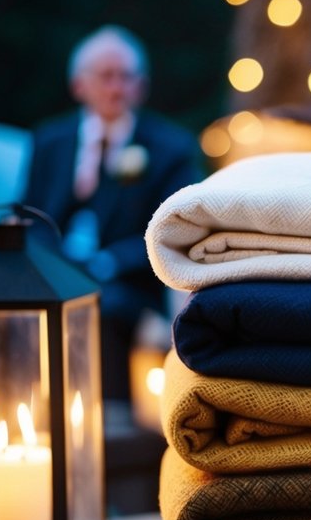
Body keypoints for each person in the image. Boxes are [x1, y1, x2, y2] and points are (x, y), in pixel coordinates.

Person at [23, 26, 201, 401]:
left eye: (126, 77)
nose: (116, 88)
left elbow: (177, 228)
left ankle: (108, 417)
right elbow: (33, 216)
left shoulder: (170, 148)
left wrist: (109, 262)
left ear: (142, 85)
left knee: (101, 305)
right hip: (55, 270)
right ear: (79, 85)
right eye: (106, 77)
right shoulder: (50, 141)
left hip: (129, 284)